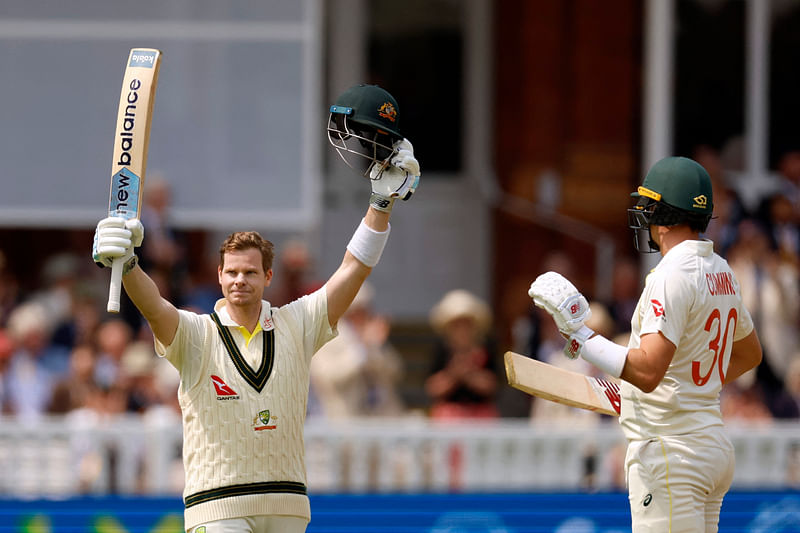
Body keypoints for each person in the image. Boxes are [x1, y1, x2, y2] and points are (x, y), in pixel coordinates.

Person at [91, 83, 420, 533]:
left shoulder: (297, 322)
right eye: (231, 273)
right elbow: (153, 306)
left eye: (249, 273)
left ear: (268, 277)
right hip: (217, 505)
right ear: (219, 276)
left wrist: (380, 206)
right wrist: (128, 264)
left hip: (287, 504)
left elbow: (353, 270)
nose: (239, 281)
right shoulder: (195, 334)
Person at [528, 156, 763, 532]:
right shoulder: (722, 270)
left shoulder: (670, 275)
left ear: (664, 214)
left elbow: (649, 371)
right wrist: (686, 388)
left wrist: (581, 337)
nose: (644, 217)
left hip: (673, 453)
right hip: (712, 446)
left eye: (648, 207)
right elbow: (750, 354)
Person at [425, 289, 499, 419]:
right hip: (448, 417)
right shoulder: (441, 350)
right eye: (457, 325)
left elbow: (493, 385)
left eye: (466, 324)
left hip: (481, 417)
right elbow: (432, 388)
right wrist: (454, 374)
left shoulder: (486, 348)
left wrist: (470, 375)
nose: (462, 330)